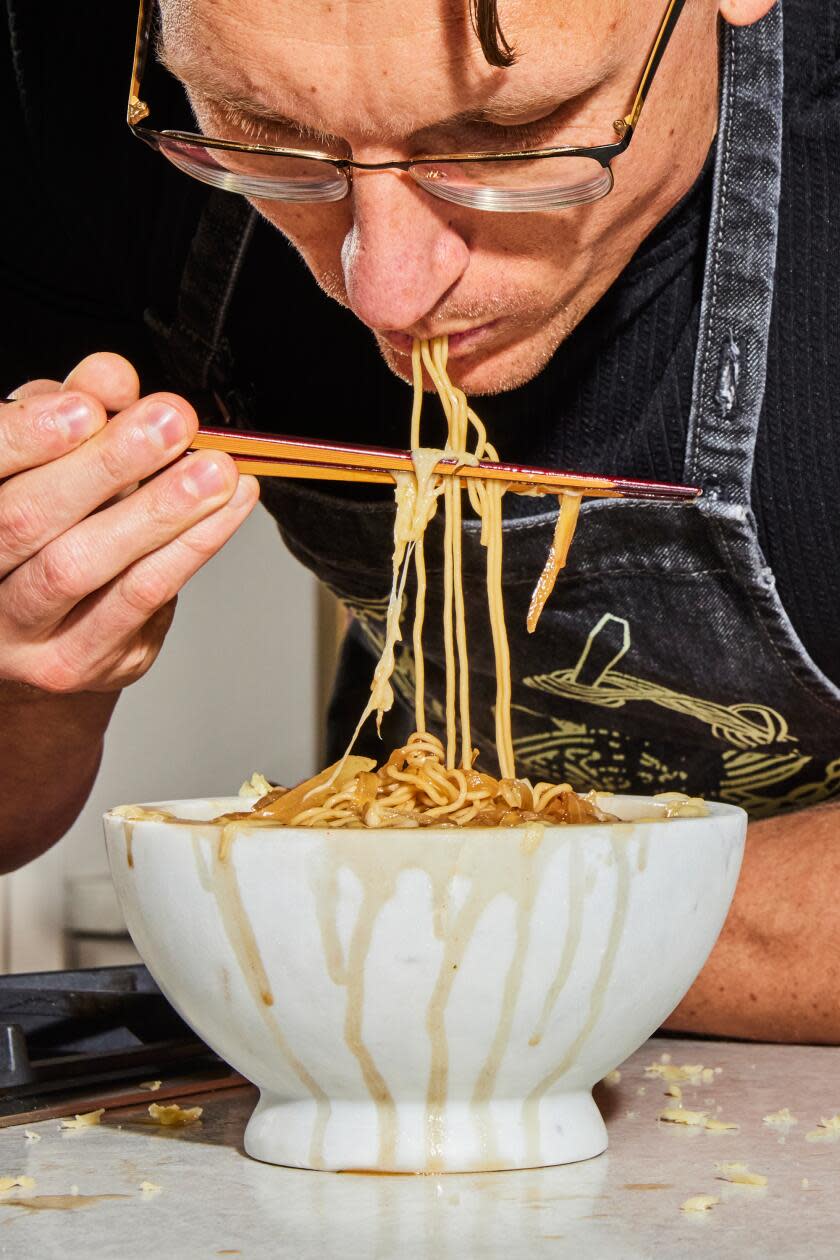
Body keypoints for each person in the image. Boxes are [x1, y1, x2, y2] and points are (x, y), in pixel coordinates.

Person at [2, 0, 838, 1043]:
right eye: (262, 134)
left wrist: (399, 922)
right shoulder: (66, 76)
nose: (388, 294)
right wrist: (33, 680)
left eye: (507, 136)